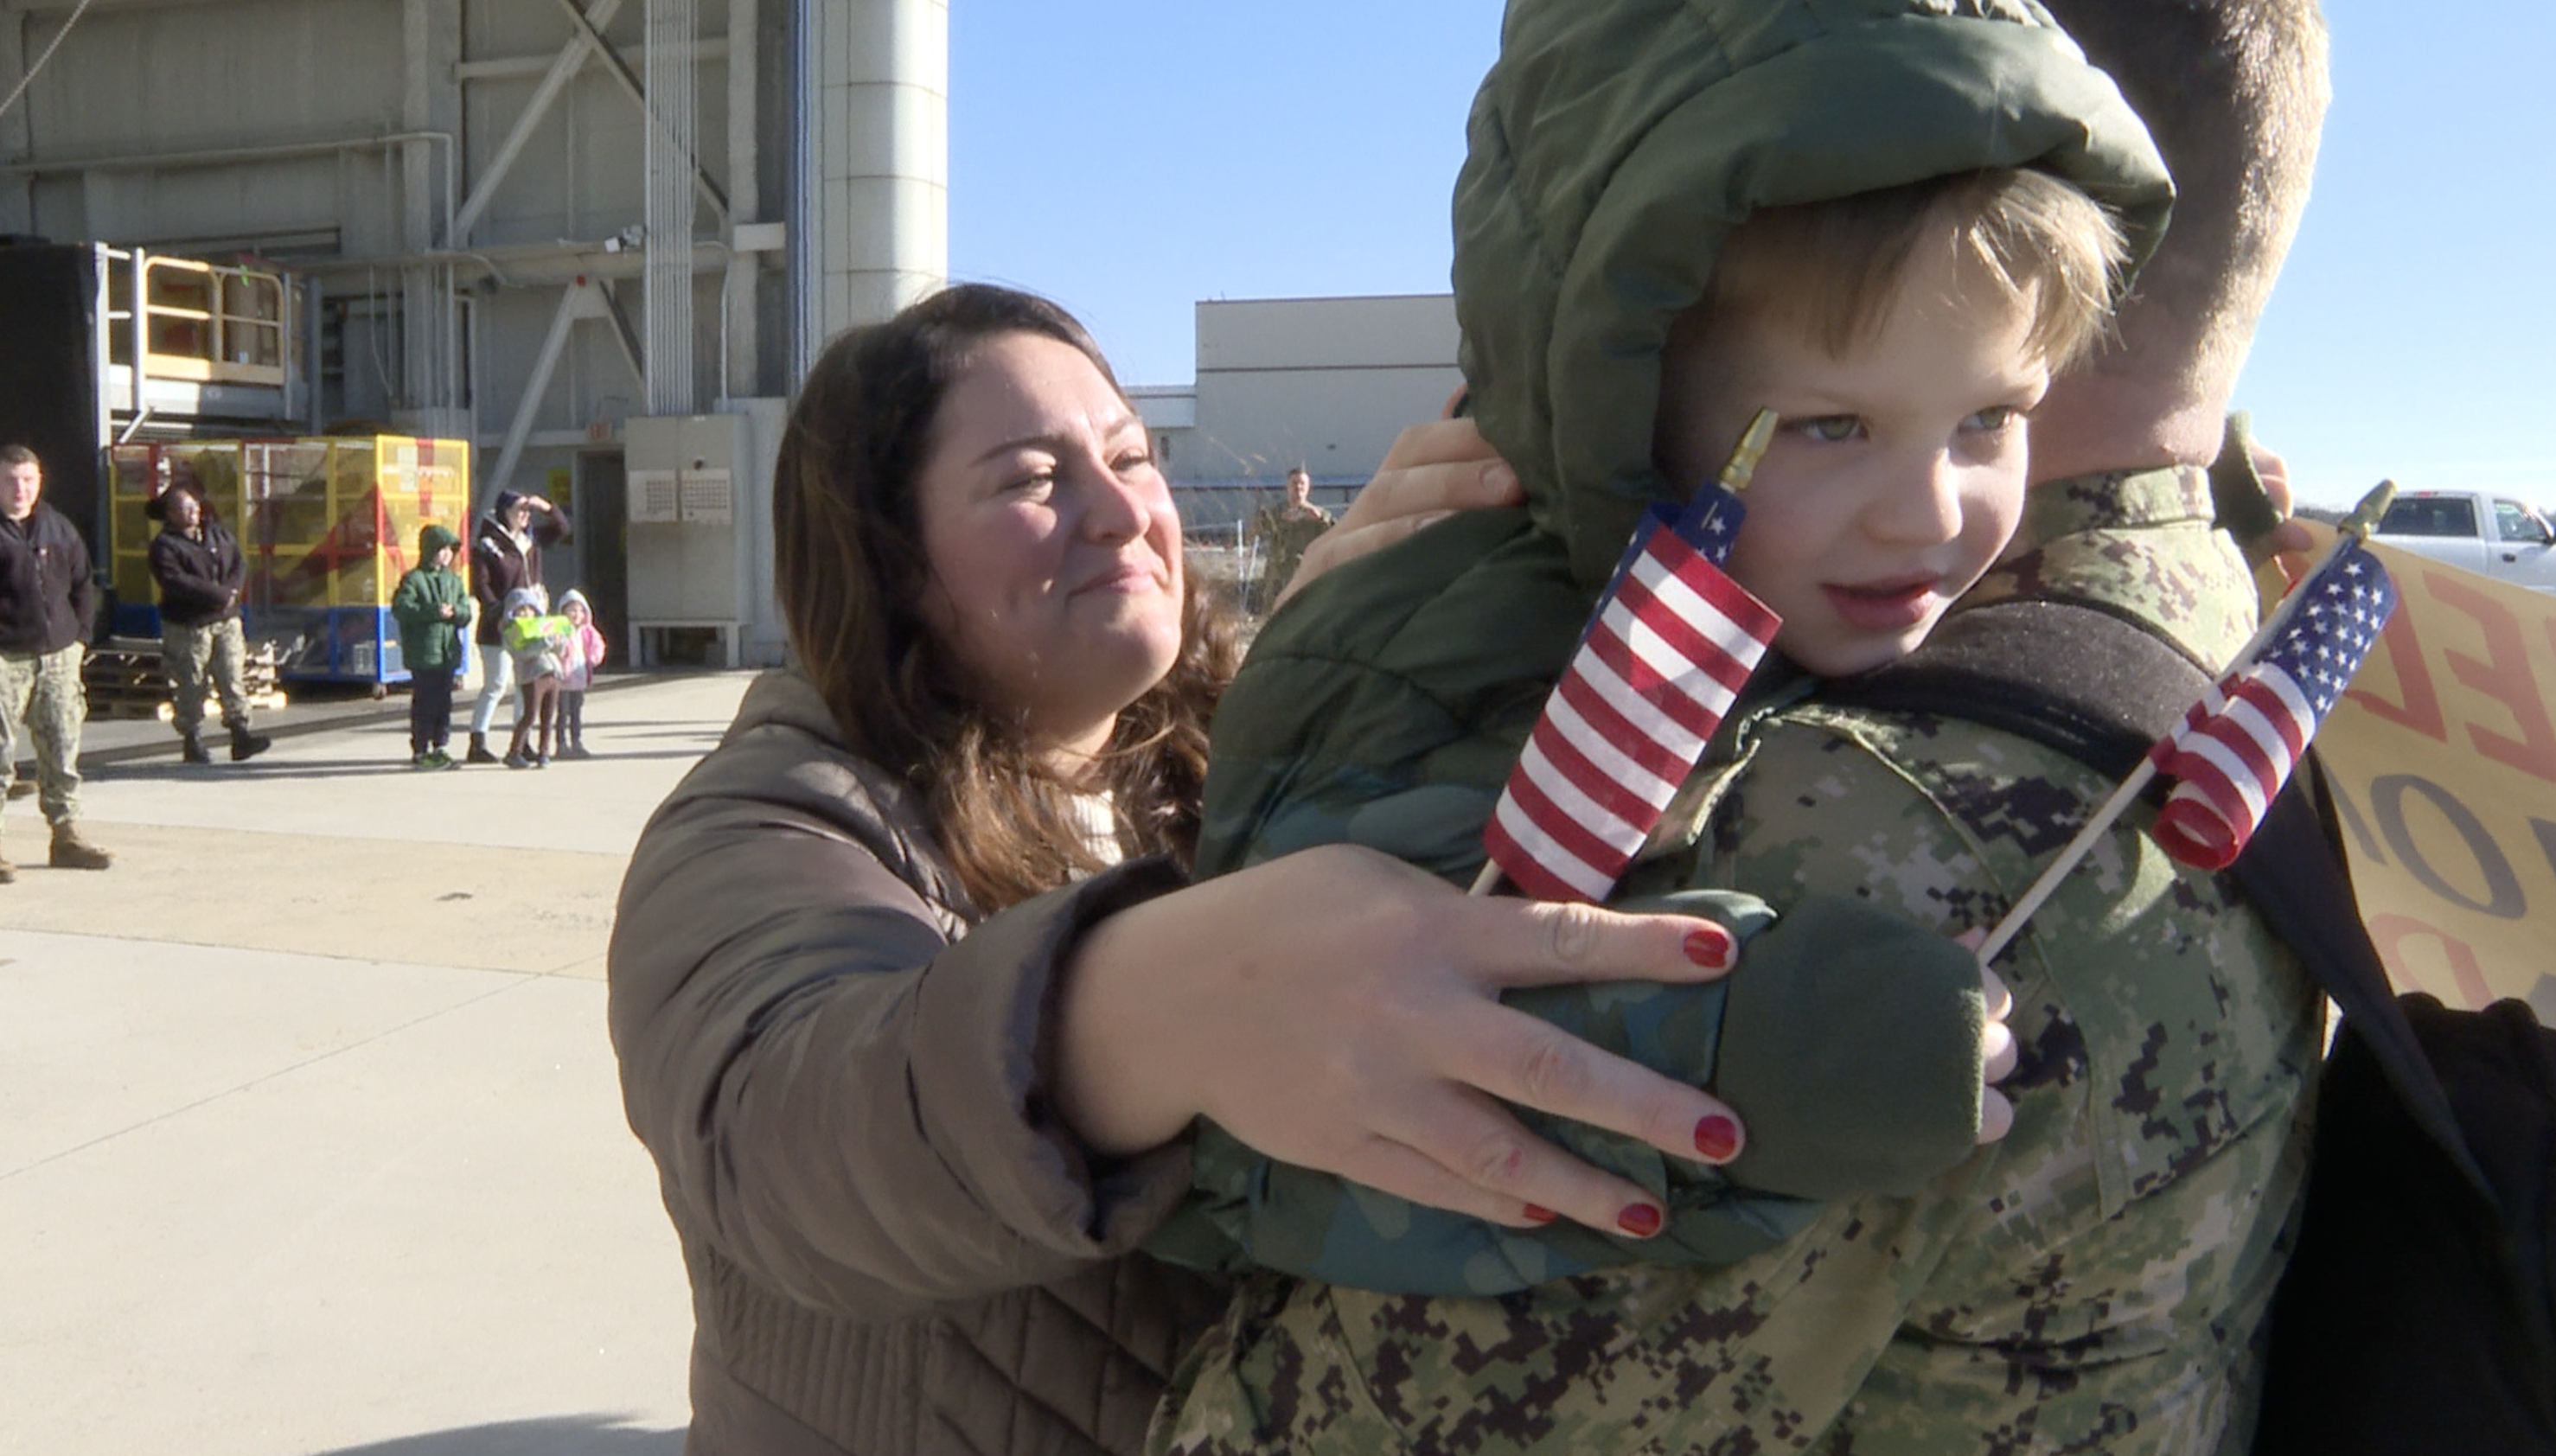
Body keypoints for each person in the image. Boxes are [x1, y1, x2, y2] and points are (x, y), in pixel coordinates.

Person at [1160, 1, 2330, 1451]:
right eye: (1829, 428)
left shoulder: (1882, 834)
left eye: (1993, 418)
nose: (1932, 510)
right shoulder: (2207, 596)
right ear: (1631, 404)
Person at [607, 283, 1810, 1455]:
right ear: (887, 559)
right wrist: (1161, 1009)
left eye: (1130, 460)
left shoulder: (1237, 752)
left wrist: (1350, 680)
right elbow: (785, 1134)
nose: (1121, 513)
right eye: (1032, 480)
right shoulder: (770, 819)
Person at [0, 443, 112, 879]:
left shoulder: (57, 528)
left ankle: (66, 836)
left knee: (63, 744)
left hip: (59, 656)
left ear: (39, 482)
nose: (19, 489)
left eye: (28, 480)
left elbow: (83, 583)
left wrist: (80, 638)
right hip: (7, 658)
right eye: (10, 480)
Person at [144, 480, 272, 765]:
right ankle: (192, 738)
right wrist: (217, 595)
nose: (191, 512)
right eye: (182, 508)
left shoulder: (217, 534)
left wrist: (232, 593)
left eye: (193, 506)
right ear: (169, 513)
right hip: (189, 625)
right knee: (191, 681)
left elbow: (239, 563)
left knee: (231, 674)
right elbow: (175, 581)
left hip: (226, 620)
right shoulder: (165, 546)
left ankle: (240, 733)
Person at [465, 487, 568, 764]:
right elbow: (481, 584)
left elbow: (561, 528)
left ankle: (520, 743)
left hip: (530, 628)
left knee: (528, 684)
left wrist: (546, 507)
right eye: (519, 510)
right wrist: (499, 613)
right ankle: (478, 741)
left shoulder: (530, 541)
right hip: (499, 627)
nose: (524, 515)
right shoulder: (489, 545)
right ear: (504, 512)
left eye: (527, 511)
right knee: (496, 684)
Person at [390, 522, 472, 770]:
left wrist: (456, 612)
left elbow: (466, 612)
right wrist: (433, 612)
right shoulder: (414, 579)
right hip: (423, 653)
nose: (446, 554)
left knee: (444, 703)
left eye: (450, 550)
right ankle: (420, 748)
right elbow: (402, 609)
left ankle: (441, 746)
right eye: (441, 549)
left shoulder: (454, 581)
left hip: (447, 652)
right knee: (424, 702)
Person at [498, 586, 567, 770]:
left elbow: (557, 651)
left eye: (529, 609)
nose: (526, 613)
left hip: (552, 673)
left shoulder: (541, 625)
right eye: (521, 610)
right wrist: (545, 642)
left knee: (548, 716)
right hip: (531, 676)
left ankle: (544, 752)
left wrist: (559, 642)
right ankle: (514, 752)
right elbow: (523, 654)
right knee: (529, 715)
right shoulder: (512, 631)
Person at [1249, 464, 1335, 610]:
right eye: (1294, 483)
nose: (1298, 487)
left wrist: (1321, 519)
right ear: (1287, 487)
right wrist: (1278, 520)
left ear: (1308, 488)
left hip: (1306, 575)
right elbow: (1254, 531)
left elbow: (1337, 533)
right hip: (1277, 577)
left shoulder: (1319, 515)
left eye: (1302, 484)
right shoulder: (1276, 512)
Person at [551, 587, 605, 758]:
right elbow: (554, 648)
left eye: (580, 610)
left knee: (576, 713)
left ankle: (577, 742)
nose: (576, 614)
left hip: (580, 678)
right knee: (562, 713)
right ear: (563, 611)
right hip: (563, 679)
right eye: (571, 609)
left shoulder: (587, 631)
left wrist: (594, 658)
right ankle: (561, 744)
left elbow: (598, 645)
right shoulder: (559, 630)